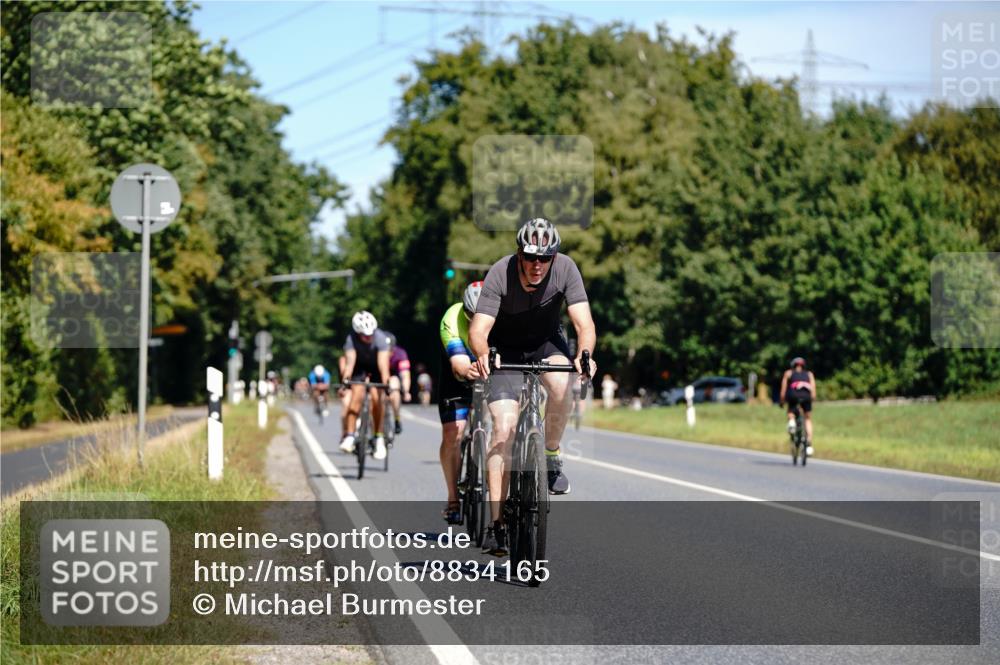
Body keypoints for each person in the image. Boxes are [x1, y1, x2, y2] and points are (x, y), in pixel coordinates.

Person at [470, 218, 597, 556]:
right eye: (531, 257)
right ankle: (497, 524)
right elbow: (479, 330)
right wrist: (483, 354)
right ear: (519, 254)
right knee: (503, 430)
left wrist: (585, 356)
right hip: (505, 350)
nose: (537, 265)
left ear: (554, 257)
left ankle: (551, 455)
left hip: (546, 342)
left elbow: (584, 323)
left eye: (545, 258)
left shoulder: (567, 269)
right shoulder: (500, 272)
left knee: (563, 383)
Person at [437, 281, 484, 525]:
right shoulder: (453, 317)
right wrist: (468, 370)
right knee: (452, 434)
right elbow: (458, 363)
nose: (476, 321)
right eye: (471, 316)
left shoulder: (505, 315)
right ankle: (453, 499)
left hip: (491, 373)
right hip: (457, 376)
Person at [339, 310, 392, 460]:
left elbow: (383, 365)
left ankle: (378, 438)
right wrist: (346, 380)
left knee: (376, 399)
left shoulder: (381, 338)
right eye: (364, 335)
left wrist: (386, 383)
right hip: (359, 368)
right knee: (356, 397)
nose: (368, 338)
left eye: (370, 335)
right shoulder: (351, 339)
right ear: (357, 333)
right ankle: (349, 435)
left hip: (376, 367)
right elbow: (350, 363)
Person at [780, 357, 816, 456]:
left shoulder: (788, 373)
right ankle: (809, 443)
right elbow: (813, 390)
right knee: (807, 418)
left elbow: (783, 389)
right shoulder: (809, 374)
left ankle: (791, 422)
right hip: (806, 397)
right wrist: (811, 400)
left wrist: (782, 401)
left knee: (791, 412)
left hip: (793, 396)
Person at [383, 331, 412, 435]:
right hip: (379, 376)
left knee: (394, 384)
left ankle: (397, 418)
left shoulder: (400, 354)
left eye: (389, 349)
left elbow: (405, 375)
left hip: (393, 376)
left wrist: (406, 391)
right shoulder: (375, 352)